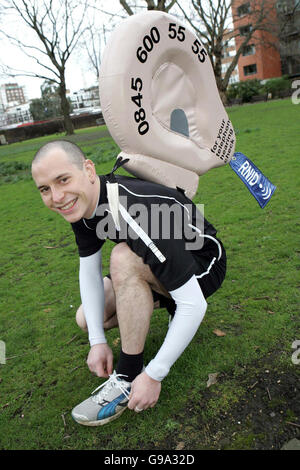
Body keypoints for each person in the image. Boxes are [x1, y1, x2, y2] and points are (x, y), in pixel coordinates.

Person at [31, 139, 226, 426]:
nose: (57, 197)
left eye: (63, 180)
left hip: (203, 264)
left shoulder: (134, 210)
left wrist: (155, 374)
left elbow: (195, 305)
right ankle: (167, 304)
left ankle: (128, 375)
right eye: (45, 189)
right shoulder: (83, 203)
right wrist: (97, 341)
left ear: (88, 169)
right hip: (162, 261)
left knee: (123, 258)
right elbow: (89, 268)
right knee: (87, 318)